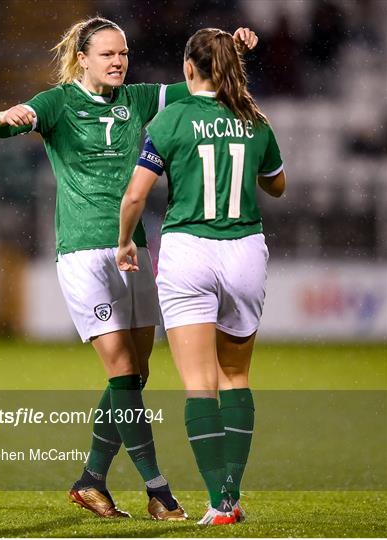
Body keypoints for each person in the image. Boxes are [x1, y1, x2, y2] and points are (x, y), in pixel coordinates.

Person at [0, 17, 258, 520]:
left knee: (137, 373)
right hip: (83, 254)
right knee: (122, 371)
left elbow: (202, 84)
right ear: (83, 58)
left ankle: (92, 479)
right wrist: (11, 116)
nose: (118, 62)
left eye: (125, 54)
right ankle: (159, 492)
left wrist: (233, 50)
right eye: (108, 54)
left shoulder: (137, 99)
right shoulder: (58, 103)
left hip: (132, 249)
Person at [117, 27, 285, 525]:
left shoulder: (170, 118)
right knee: (236, 375)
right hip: (245, 250)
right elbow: (277, 185)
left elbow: (135, 196)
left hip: (189, 250)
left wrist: (127, 241)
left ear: (188, 68)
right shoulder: (255, 120)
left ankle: (220, 502)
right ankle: (231, 493)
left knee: (199, 385)